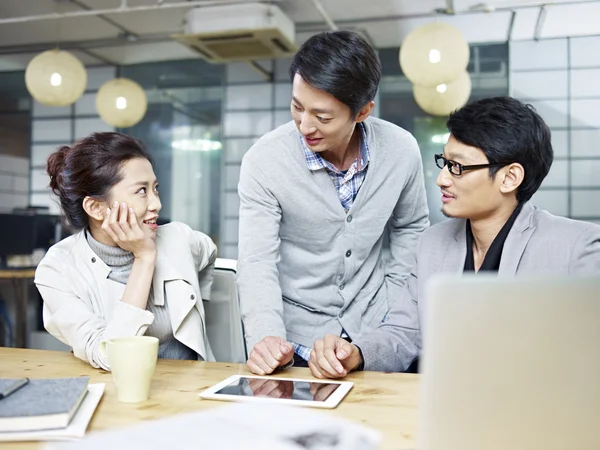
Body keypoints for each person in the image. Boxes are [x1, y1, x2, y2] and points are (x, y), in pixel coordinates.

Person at [308, 96, 600, 378]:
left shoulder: (576, 248)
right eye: (444, 163)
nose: (442, 179)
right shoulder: (432, 243)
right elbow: (405, 333)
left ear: (510, 177)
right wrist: (355, 354)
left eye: (458, 167)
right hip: (441, 407)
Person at [237, 30, 430, 375]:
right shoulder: (264, 160)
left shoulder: (401, 150)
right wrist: (266, 338)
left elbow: (411, 227)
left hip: (373, 330)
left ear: (362, 112)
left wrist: (395, 305)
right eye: (297, 107)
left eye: (323, 117)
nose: (305, 125)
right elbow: (256, 260)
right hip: (295, 340)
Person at [35, 132, 217, 370]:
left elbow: (209, 253)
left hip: (190, 388)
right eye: (141, 191)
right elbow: (110, 357)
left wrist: (198, 311)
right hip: (113, 394)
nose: (156, 204)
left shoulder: (180, 238)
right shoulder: (58, 268)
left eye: (156, 188)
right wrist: (144, 258)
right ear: (96, 208)